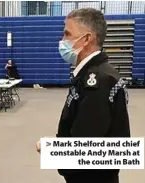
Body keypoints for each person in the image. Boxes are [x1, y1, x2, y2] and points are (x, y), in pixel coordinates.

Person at [36, 8, 130, 183]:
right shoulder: (98, 75)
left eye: (67, 34)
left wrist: (53, 149)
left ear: (87, 39)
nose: (62, 41)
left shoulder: (97, 81)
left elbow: (86, 148)